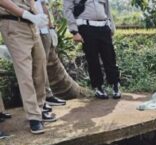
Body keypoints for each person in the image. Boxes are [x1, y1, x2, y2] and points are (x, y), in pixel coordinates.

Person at [0, 0, 56, 134]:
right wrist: (26, 14)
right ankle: (34, 117)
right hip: (13, 23)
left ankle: (40, 108)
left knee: (40, 67)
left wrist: (36, 14)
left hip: (31, 25)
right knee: (25, 72)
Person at [64, 0, 121, 99]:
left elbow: (107, 8)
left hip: (104, 27)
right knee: (93, 59)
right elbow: (67, 10)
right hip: (86, 28)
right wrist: (74, 31)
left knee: (110, 57)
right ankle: (99, 87)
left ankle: (115, 85)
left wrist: (111, 27)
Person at [34, 0, 67, 108]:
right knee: (36, 66)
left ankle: (47, 96)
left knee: (43, 65)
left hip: (44, 30)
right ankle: (40, 99)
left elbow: (43, 5)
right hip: (32, 30)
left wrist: (51, 27)